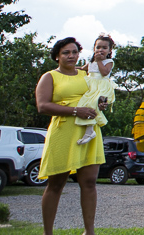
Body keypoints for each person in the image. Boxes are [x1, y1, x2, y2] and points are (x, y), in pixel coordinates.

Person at [35, 37, 108, 235]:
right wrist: (76, 111)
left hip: (89, 131)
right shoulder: (50, 77)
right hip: (63, 131)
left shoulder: (85, 73)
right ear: (57, 56)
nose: (71, 56)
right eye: (66, 52)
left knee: (89, 182)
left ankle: (89, 231)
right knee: (56, 184)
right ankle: (48, 232)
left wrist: (100, 103)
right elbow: (42, 106)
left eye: (75, 52)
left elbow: (98, 89)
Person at [74, 34, 117, 145]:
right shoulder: (91, 62)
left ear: (109, 50)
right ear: (94, 48)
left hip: (101, 86)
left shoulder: (108, 62)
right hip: (91, 85)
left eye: (104, 48)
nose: (100, 50)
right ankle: (89, 129)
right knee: (85, 103)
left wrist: (99, 61)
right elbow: (82, 69)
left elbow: (104, 72)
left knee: (94, 104)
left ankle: (89, 131)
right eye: (98, 47)